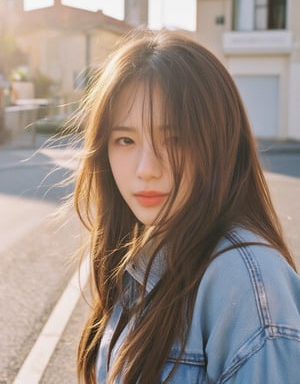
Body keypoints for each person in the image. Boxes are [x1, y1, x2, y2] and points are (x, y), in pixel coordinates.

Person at [74, 29, 300, 384]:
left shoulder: (244, 282)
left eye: (175, 139)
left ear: (220, 143)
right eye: (125, 140)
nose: (146, 168)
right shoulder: (142, 260)